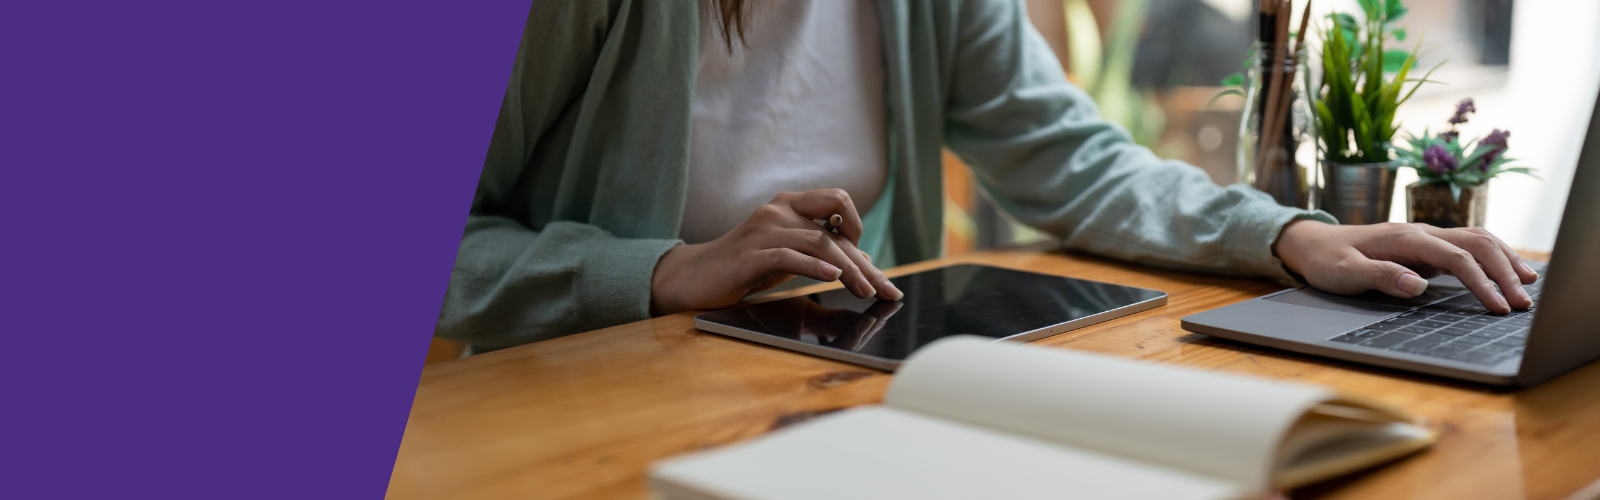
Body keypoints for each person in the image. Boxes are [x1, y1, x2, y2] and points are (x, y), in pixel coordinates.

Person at [436, 0, 1537, 351]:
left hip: (820, 394)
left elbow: (1071, 157)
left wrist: (1285, 235)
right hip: (583, 403)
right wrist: (662, 270)